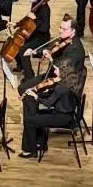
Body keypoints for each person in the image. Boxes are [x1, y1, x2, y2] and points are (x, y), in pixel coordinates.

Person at [18, 16, 84, 159]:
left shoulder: (76, 51)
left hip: (62, 83)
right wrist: (35, 51)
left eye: (63, 29)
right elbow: (52, 48)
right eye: (60, 27)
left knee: (29, 96)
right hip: (55, 79)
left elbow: (61, 71)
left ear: (73, 31)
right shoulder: (65, 40)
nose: (60, 30)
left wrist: (51, 58)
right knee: (23, 88)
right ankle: (36, 134)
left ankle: (31, 144)